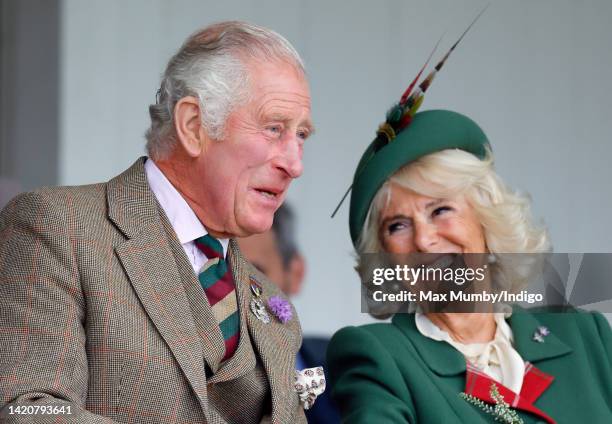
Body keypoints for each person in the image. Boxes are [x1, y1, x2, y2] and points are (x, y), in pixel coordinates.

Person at [0, 21, 314, 423]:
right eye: (274, 129)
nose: (294, 164)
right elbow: (28, 408)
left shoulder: (271, 302)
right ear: (193, 126)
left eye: (301, 135)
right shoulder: (58, 227)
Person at [326, 105, 612, 422]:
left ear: (485, 220)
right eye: (398, 226)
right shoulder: (378, 357)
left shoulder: (585, 336)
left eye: (440, 210)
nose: (423, 240)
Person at [238, 203, 341, 424]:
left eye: (254, 274)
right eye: (219, 272)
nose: (234, 293)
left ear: (295, 273)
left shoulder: (347, 367)